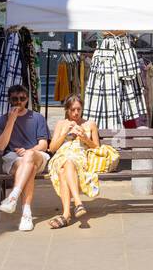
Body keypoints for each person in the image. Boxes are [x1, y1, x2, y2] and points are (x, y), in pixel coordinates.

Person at [47, 95, 119, 228]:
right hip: (61, 155)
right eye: (72, 109)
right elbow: (52, 148)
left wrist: (85, 138)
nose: (76, 113)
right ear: (67, 110)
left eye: (78, 109)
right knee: (66, 162)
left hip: (79, 156)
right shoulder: (61, 124)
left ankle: (66, 215)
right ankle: (78, 203)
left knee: (64, 170)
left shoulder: (89, 124)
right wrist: (65, 133)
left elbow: (97, 148)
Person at [0, 84, 51, 232]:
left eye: (22, 98)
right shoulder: (0, 121)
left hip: (37, 154)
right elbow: (0, 146)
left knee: (29, 157)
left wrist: (28, 151)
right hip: (14, 158)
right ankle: (26, 213)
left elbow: (43, 144)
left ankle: (13, 196)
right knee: (28, 167)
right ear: (9, 100)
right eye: (15, 99)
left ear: (27, 99)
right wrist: (11, 120)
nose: (19, 102)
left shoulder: (37, 117)